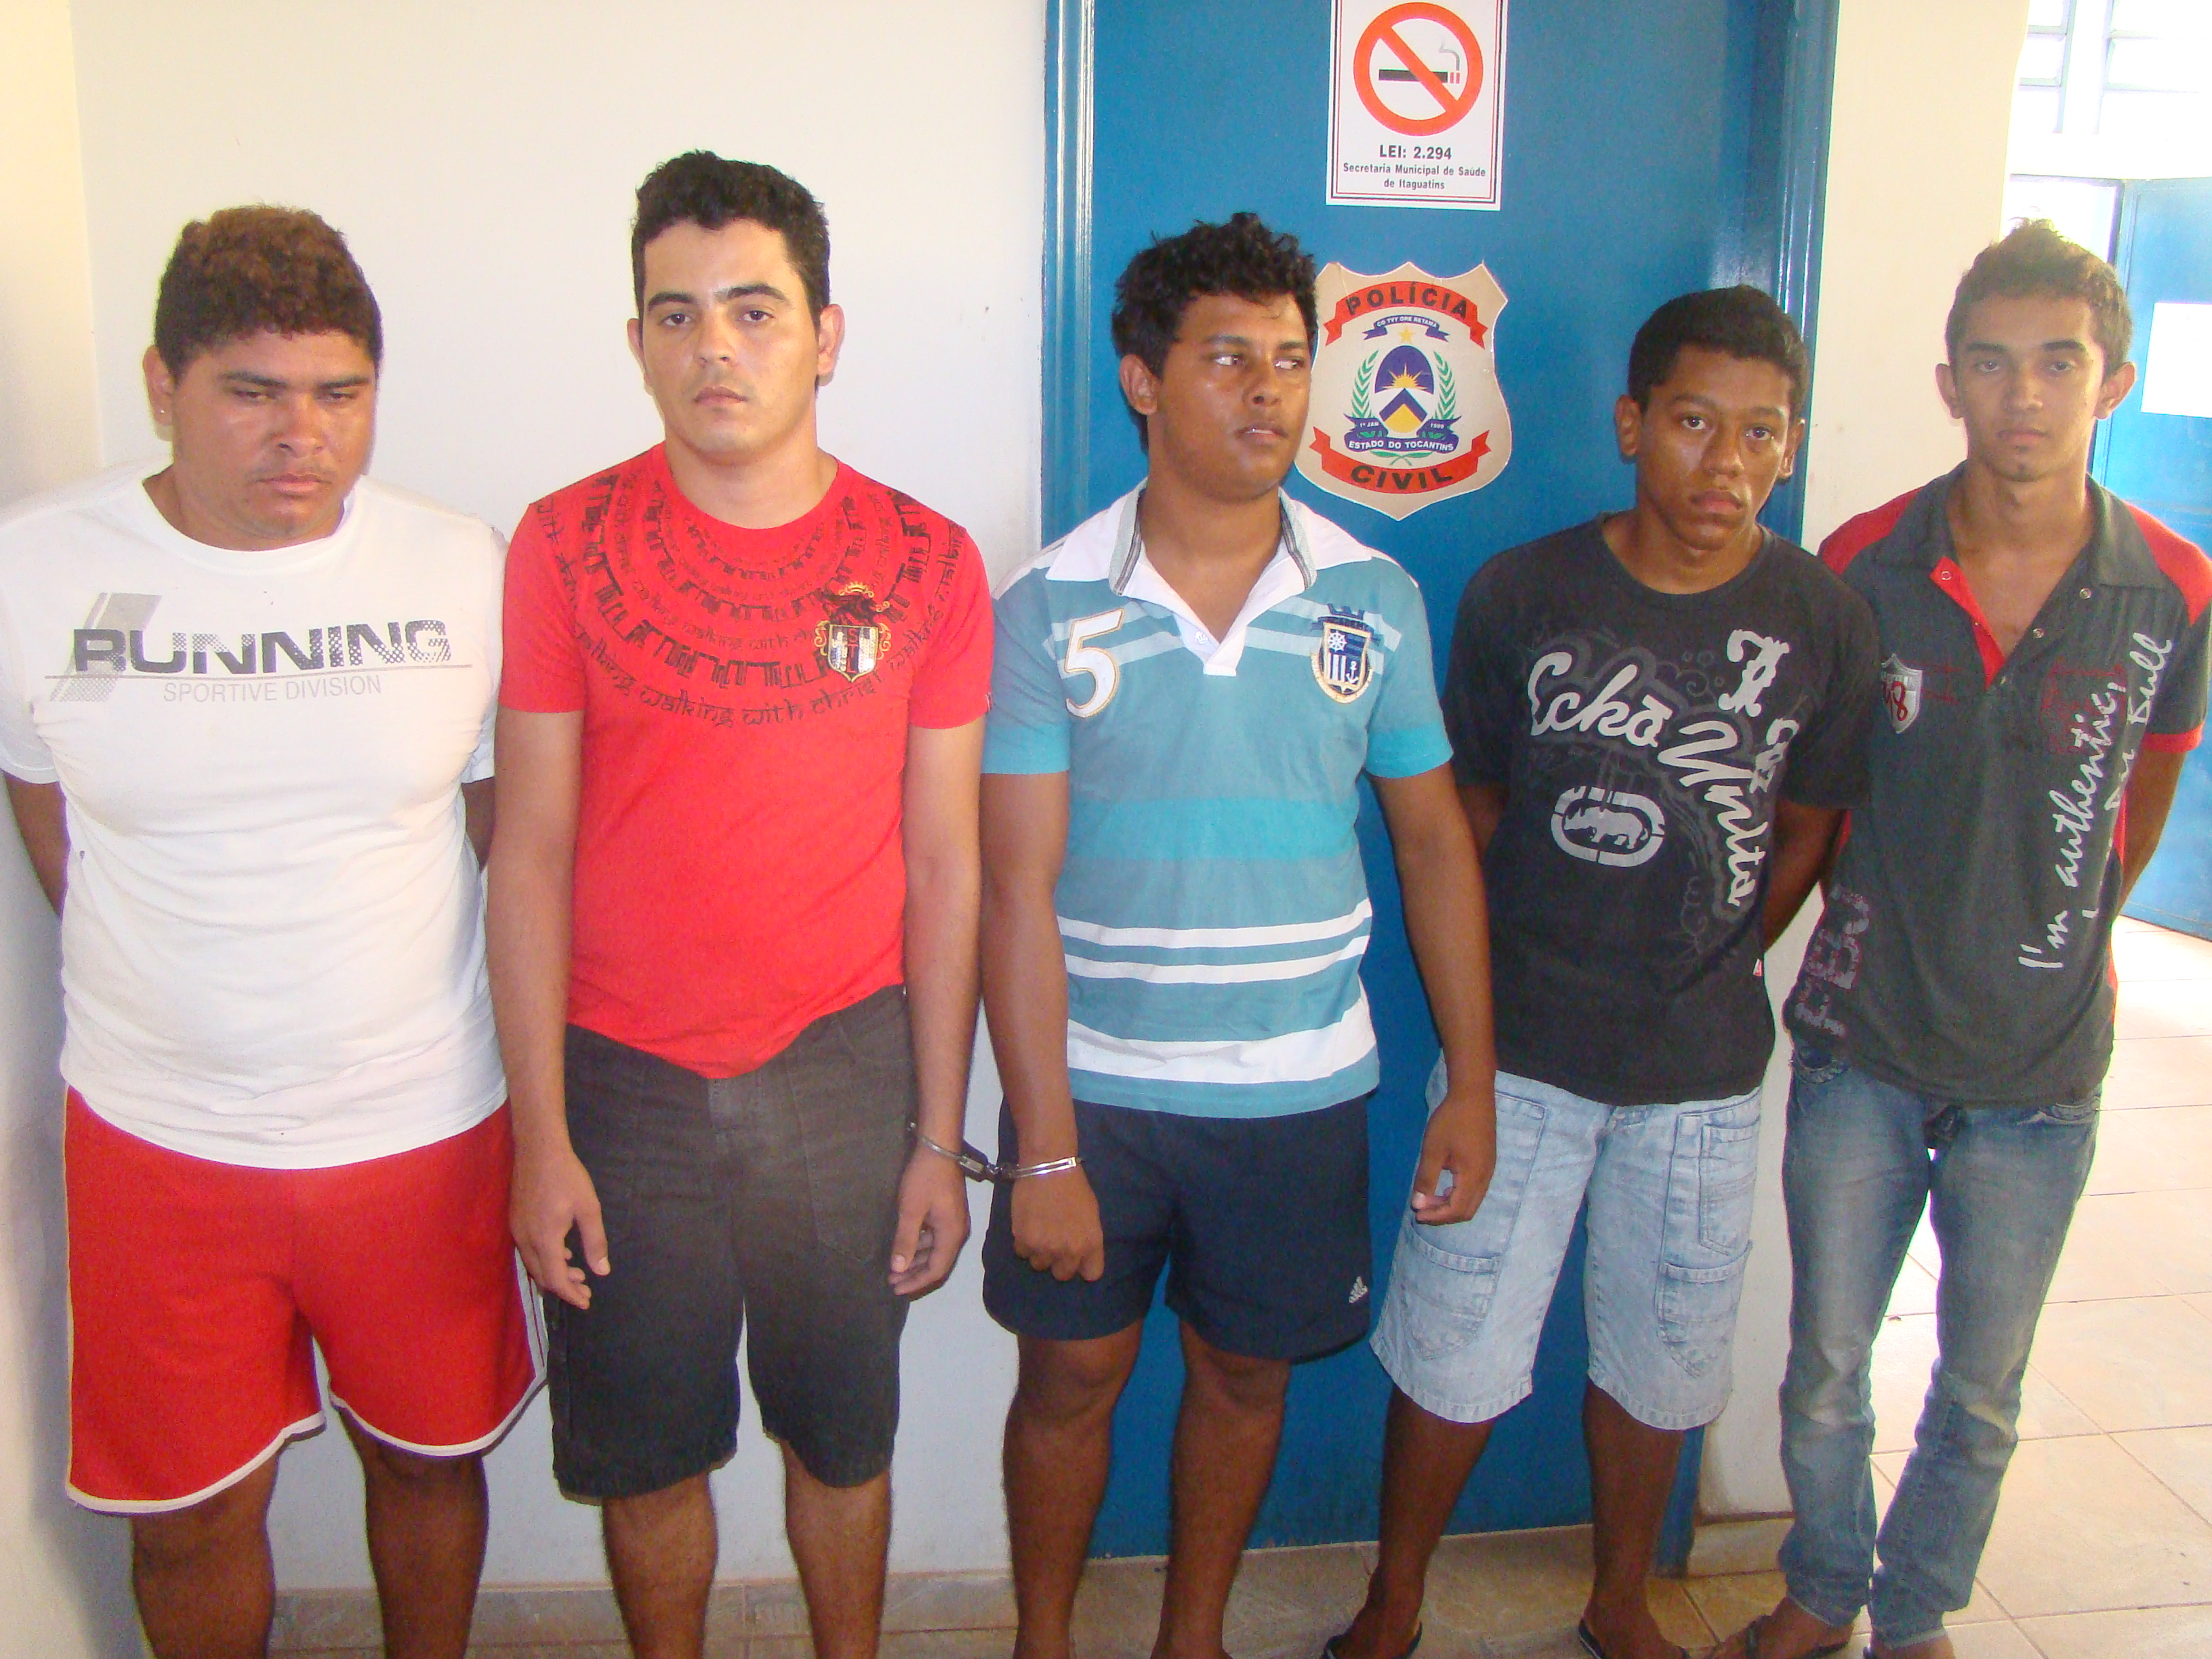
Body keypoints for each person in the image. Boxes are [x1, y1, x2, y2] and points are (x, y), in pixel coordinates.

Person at [0, 207, 533, 1659]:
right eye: (252, 392)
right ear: (161, 386)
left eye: (339, 393)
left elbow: (493, 822)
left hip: (419, 1122)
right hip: (160, 1138)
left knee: (429, 1461)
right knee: (187, 1516)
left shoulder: (460, 567)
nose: (303, 435)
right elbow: (55, 830)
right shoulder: (37, 571)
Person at [488, 152, 990, 1659]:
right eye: (677, 313)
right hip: (620, 1081)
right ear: (638, 342)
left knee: (842, 1443)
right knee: (646, 1461)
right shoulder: (561, 543)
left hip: (845, 1068)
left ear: (825, 336)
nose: (716, 346)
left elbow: (948, 866)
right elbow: (527, 853)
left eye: (756, 310)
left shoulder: (927, 561)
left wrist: (937, 1136)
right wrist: (539, 1136)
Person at [1333, 287, 1881, 1659]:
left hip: (1702, 1073)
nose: (1726, 462)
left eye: (1762, 433)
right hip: (1518, 1054)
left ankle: (1620, 1600)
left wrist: (1719, 952)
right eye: (1695, 422)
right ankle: (1396, 1601)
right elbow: (1466, 809)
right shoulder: (1523, 591)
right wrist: (1494, 1011)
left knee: (1664, 1358)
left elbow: (1810, 826)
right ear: (1634, 424)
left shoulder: (1823, 619)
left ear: (1791, 446)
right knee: (1452, 1341)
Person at [979, 211, 1497, 1659]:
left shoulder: (1371, 596)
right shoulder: (1047, 603)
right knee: (1068, 1381)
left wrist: (1473, 1079)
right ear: (1143, 379)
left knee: (1244, 1379)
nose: (1268, 390)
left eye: (1288, 358)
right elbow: (1012, 888)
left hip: (1295, 1089)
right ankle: (1041, 1642)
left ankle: (1191, 1639)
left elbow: (1434, 844)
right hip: (1100, 1089)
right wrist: (1046, 1145)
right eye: (1226, 358)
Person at [1716, 225, 2212, 1659]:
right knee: (1825, 1368)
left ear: (2113, 381)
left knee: (1983, 1390)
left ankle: (1918, 1613)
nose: (2025, 395)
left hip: (2042, 1071)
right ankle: (1822, 1592)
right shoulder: (1863, 563)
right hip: (1860, 1044)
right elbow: (1811, 792)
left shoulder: (2174, 584)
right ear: (1950, 383)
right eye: (1992, 363)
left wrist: (2050, 936)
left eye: (2059, 362)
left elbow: (2142, 797)